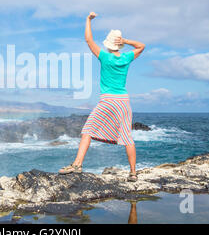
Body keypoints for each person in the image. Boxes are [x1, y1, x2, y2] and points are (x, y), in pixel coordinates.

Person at [58, 12, 145, 182]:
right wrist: (126, 41)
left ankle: (77, 165)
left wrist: (88, 20)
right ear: (119, 44)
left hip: (107, 100)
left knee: (88, 130)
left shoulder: (105, 57)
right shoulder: (127, 57)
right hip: (123, 101)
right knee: (127, 136)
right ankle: (133, 173)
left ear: (108, 44)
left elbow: (89, 40)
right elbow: (141, 46)